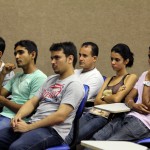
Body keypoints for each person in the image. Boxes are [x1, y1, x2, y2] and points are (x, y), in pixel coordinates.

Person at [0, 42, 85, 150]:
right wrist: (18, 116)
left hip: (52, 131)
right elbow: (32, 102)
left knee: (17, 148)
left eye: (57, 58)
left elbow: (60, 116)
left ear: (70, 59)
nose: (52, 62)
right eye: (51, 58)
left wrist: (29, 127)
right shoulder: (50, 79)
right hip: (34, 123)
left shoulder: (74, 84)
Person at [66, 43, 137, 145]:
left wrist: (104, 97)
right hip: (92, 112)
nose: (113, 62)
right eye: (111, 59)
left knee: (76, 137)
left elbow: (117, 99)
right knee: (68, 134)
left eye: (117, 60)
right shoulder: (108, 79)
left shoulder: (131, 77)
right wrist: (109, 98)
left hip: (106, 117)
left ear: (126, 61)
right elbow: (97, 102)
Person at [92, 47, 150, 141]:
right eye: (149, 56)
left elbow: (146, 106)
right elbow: (129, 98)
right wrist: (133, 105)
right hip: (129, 115)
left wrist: (148, 80)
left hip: (144, 123)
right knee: (96, 139)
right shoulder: (144, 74)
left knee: (109, 144)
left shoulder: (147, 76)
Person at [0, 40, 47, 130]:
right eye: (15, 53)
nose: (17, 57)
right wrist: (3, 74)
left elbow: (29, 110)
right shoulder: (17, 76)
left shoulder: (40, 78)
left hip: (17, 120)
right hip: (3, 115)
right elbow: (1, 94)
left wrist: (5, 102)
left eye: (21, 52)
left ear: (32, 55)